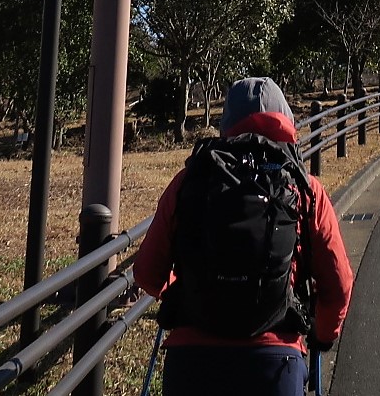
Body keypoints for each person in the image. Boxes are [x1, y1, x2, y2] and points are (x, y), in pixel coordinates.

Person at [135, 77, 353, 396]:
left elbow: (146, 273)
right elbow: (338, 284)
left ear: (227, 124)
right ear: (287, 121)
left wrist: (183, 289)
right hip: (275, 361)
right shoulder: (306, 190)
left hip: (192, 362)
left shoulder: (188, 181)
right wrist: (324, 333)